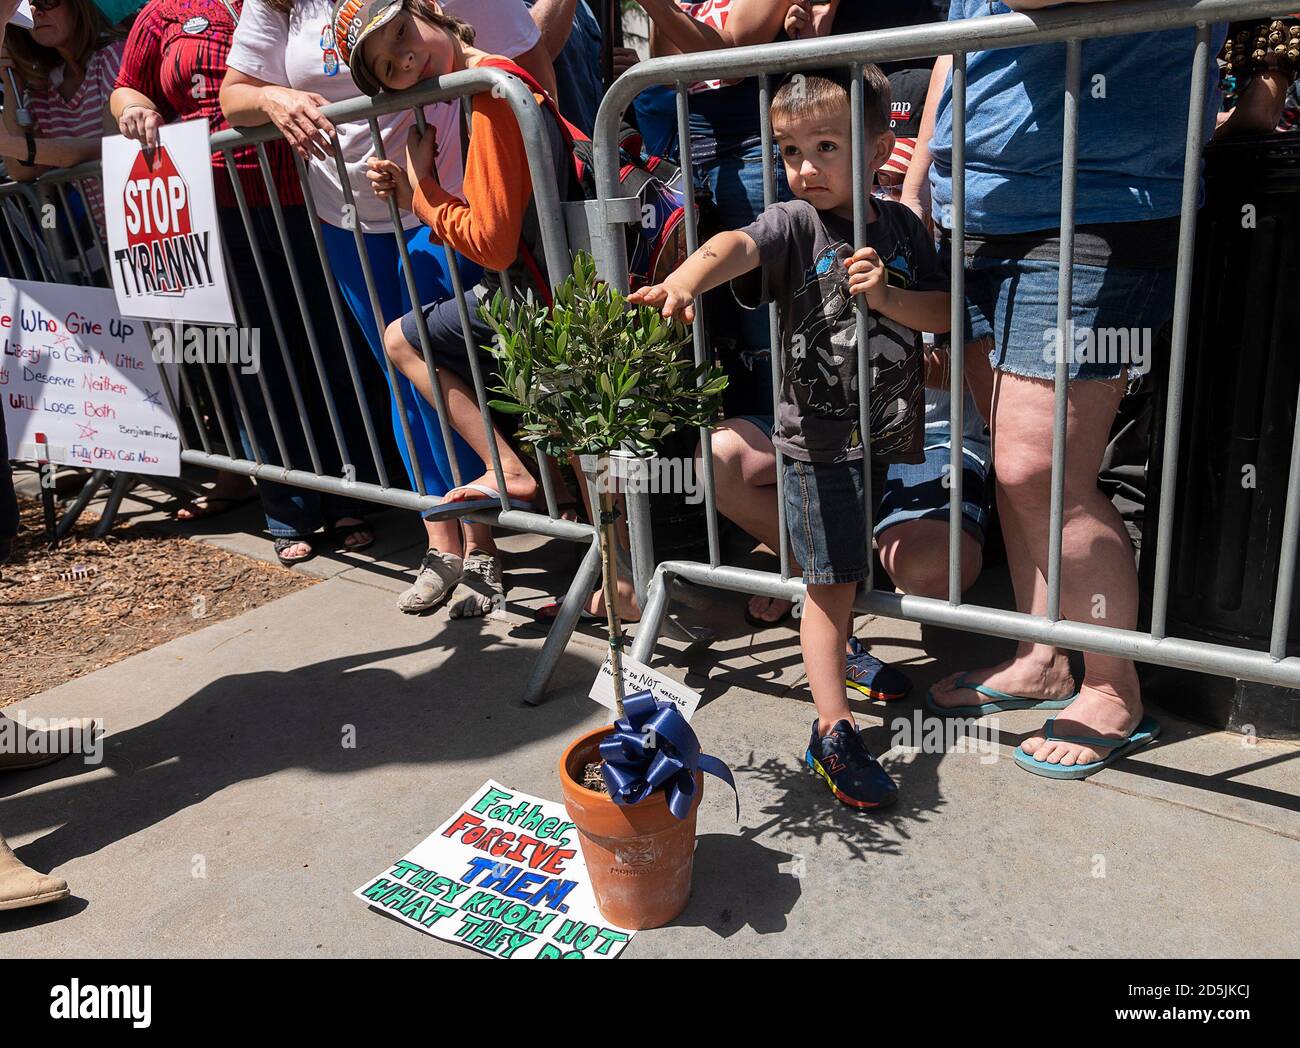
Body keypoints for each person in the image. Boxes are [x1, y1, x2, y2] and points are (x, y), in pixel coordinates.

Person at [914, 2, 1229, 778]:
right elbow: (958, 46)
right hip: (983, 208)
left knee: (1040, 470)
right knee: (1022, 469)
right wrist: (923, 174)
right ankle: (1043, 655)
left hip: (1099, 200)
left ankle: (1113, 687)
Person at [631, 68, 949, 809]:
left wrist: (891, 294)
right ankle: (832, 729)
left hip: (886, 435)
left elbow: (939, 311)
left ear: (879, 149)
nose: (805, 167)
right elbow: (735, 245)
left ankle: (844, 654)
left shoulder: (902, 227)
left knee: (843, 575)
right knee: (830, 581)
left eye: (826, 147)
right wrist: (684, 279)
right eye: (789, 150)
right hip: (817, 444)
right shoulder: (794, 222)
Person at [220, 0, 552, 613]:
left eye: (401, 37)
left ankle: (483, 549)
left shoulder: (431, 18)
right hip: (346, 220)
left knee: (454, 370)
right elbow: (232, 96)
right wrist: (271, 100)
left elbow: (526, 71)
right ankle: (441, 543)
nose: (401, 54)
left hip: (440, 207)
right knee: (402, 380)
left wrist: (486, 181)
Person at [110, 0, 382, 563]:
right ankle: (289, 511)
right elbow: (126, 87)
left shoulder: (296, 4)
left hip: (316, 196)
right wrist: (134, 110)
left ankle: (353, 494)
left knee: (330, 348)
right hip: (214, 208)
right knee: (256, 361)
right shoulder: (164, 13)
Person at [338, 0, 578, 615]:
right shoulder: (487, 85)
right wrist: (422, 189)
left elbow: (494, 243)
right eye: (389, 65)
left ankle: (509, 473)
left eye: (400, 34)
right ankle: (615, 574)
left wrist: (425, 194)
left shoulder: (493, 91)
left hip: (540, 296)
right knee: (583, 439)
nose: (406, 56)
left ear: (428, 10)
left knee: (403, 339)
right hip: (555, 287)